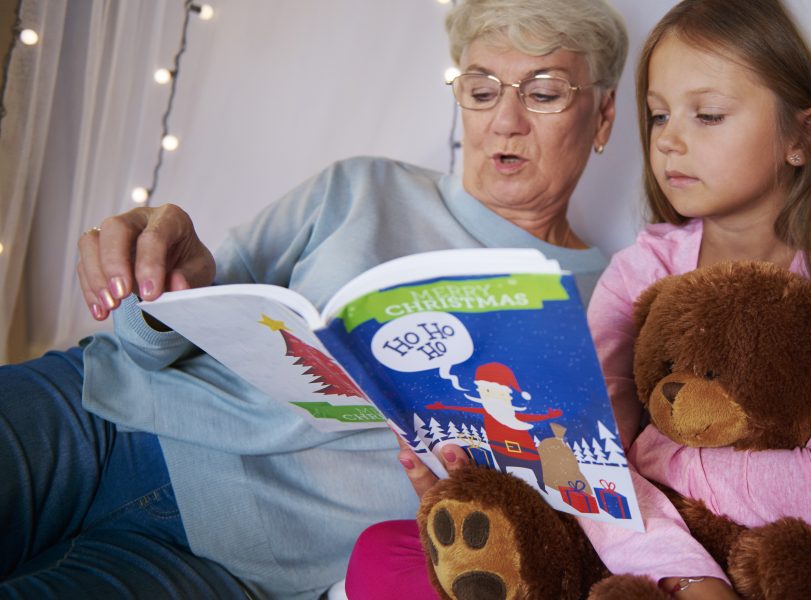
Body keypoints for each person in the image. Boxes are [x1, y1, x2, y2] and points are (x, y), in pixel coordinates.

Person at [0, 0, 628, 598]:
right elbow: (150, 341)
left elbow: (569, 513)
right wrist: (157, 284)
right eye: (482, 90)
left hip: (230, 562)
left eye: (544, 93)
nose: (505, 120)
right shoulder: (360, 187)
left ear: (602, 115)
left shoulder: (613, 308)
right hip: (98, 414)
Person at [358, 0, 811, 599]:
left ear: (802, 136)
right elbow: (590, 457)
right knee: (384, 553)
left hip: (797, 571)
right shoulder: (642, 271)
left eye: (708, 115)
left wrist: (664, 457)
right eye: (659, 117)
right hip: (655, 550)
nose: (670, 143)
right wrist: (689, 577)